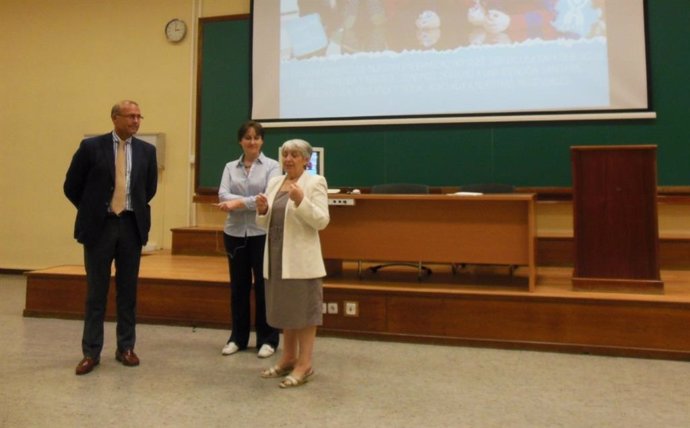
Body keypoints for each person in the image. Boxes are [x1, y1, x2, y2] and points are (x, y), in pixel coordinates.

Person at [64, 100, 158, 375]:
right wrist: (93, 208)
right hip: (100, 226)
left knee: (128, 291)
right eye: (131, 116)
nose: (136, 121)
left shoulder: (146, 151)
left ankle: (125, 347)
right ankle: (91, 352)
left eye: (139, 116)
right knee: (96, 291)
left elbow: (148, 189)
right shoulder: (91, 147)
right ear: (115, 118)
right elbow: (72, 185)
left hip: (131, 225)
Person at [255, 139, 330, 389]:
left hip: (301, 260)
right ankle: (288, 358)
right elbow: (263, 223)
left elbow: (321, 221)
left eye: (294, 155)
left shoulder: (314, 182)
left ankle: (304, 364)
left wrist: (300, 201)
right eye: (285, 154)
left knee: (305, 314)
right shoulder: (276, 182)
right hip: (277, 257)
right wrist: (263, 210)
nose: (288, 159)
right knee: (286, 310)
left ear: (306, 160)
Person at [216, 120, 281, 358]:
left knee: (264, 288)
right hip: (234, 233)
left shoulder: (273, 166)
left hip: (261, 233)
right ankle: (238, 338)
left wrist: (236, 203)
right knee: (239, 287)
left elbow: (268, 197)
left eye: (256, 137)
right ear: (240, 141)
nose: (252, 142)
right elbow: (222, 194)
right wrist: (248, 202)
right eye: (247, 138)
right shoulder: (229, 167)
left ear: (262, 140)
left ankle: (268, 339)